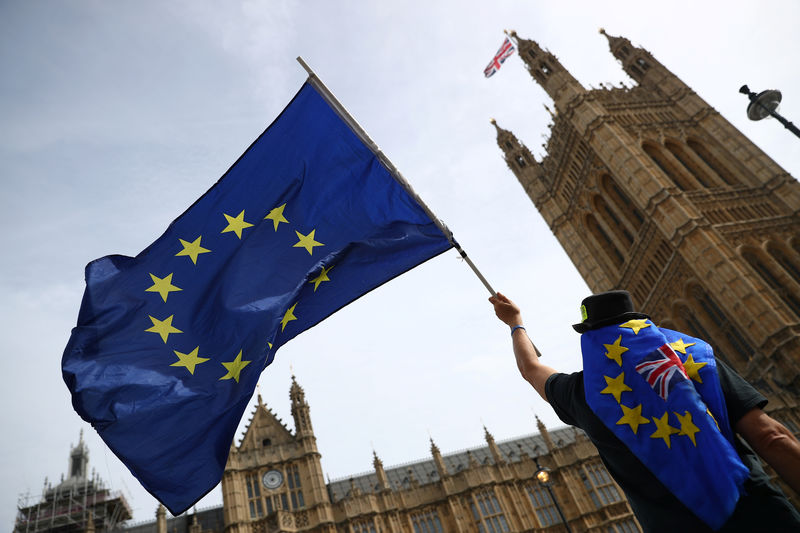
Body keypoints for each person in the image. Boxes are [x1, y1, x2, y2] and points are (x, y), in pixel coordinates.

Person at [490, 290, 800, 533]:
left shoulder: (584, 394)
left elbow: (530, 369)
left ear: (593, 338)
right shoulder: (695, 361)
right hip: (763, 515)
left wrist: (516, 323)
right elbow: (772, 437)